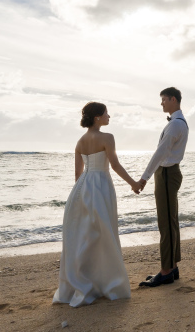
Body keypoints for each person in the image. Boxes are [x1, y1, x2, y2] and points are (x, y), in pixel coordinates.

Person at [53, 102, 143, 306]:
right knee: (105, 234)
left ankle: (86, 281)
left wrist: (81, 195)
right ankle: (108, 283)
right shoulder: (107, 138)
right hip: (101, 186)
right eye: (106, 114)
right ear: (97, 118)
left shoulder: (80, 141)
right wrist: (133, 184)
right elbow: (115, 164)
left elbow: (77, 174)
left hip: (82, 188)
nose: (109, 116)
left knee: (85, 236)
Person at [137, 87, 189, 287]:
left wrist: (144, 178)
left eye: (164, 100)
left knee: (166, 223)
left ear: (173, 100)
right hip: (168, 173)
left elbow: (160, 153)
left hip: (167, 174)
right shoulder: (177, 122)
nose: (161, 103)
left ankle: (166, 270)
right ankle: (172, 266)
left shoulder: (175, 124)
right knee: (170, 221)